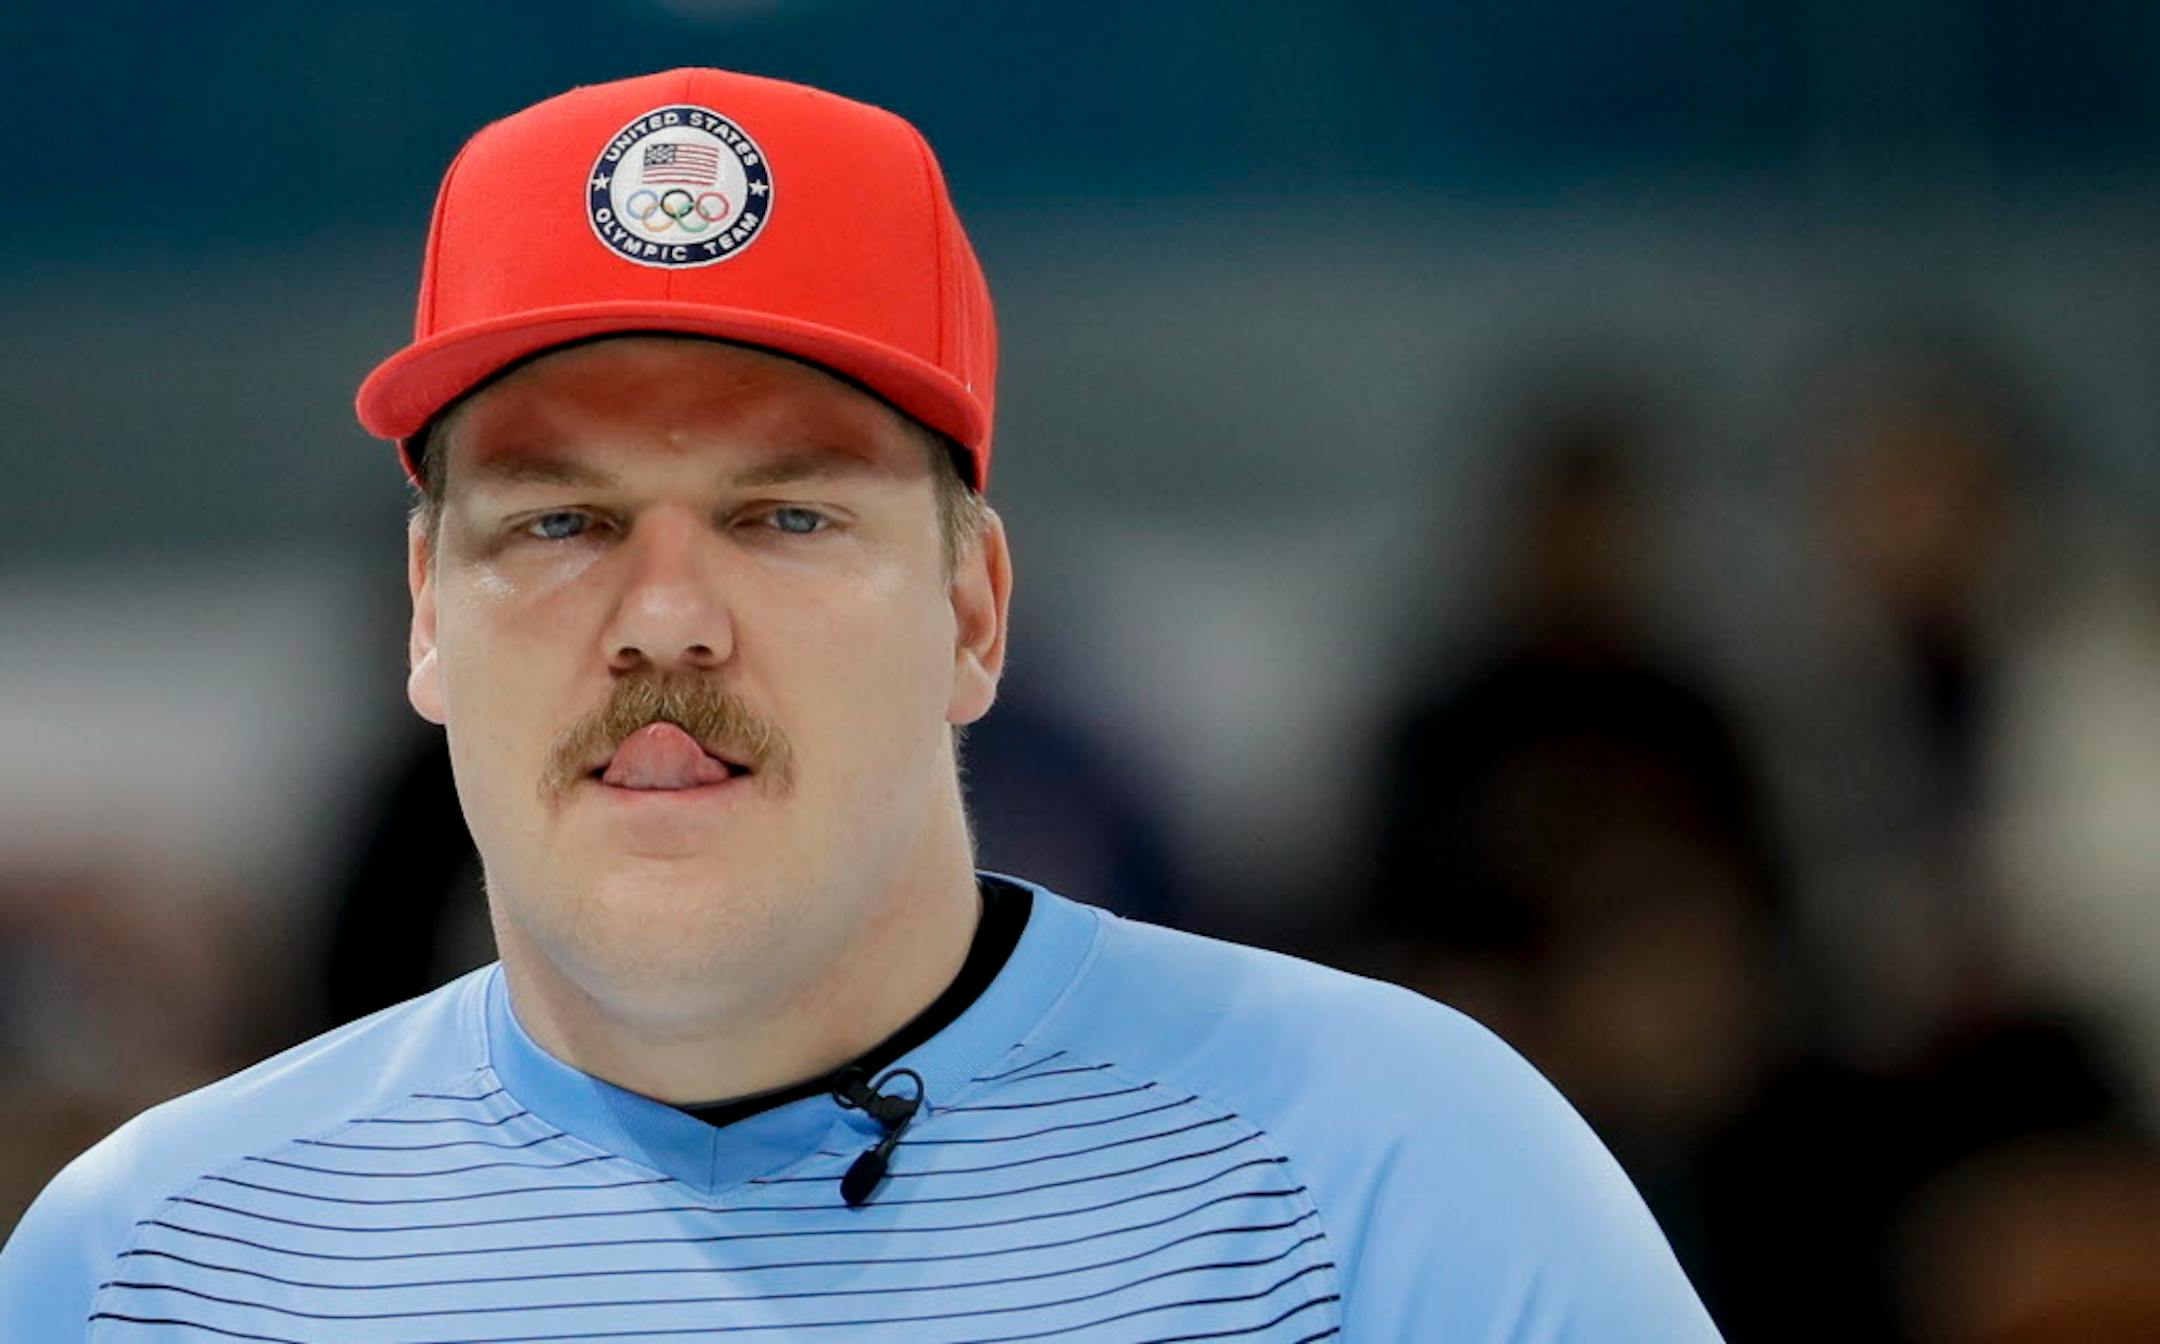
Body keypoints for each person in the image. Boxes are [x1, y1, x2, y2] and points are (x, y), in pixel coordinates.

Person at [0, 68, 1724, 1340]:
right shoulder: (149, 1267)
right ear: (426, 619)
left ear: (975, 612)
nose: (662, 617)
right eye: (559, 520)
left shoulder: (1389, 1178)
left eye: (785, 513)